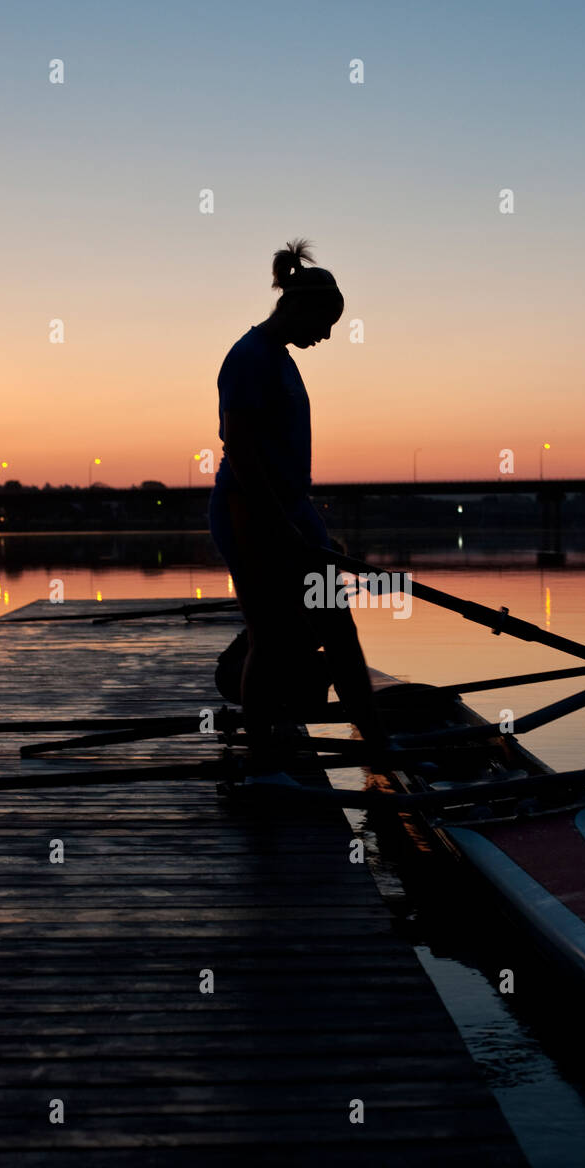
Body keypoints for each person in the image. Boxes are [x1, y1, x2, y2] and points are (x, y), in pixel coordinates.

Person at [209, 238, 390, 782]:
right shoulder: (248, 358)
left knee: (337, 624)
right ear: (296, 307)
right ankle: (261, 751)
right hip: (248, 511)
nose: (328, 334)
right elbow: (240, 453)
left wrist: (314, 532)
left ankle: (376, 740)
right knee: (268, 634)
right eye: (325, 321)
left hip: (290, 509)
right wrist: (280, 528)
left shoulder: (281, 360)